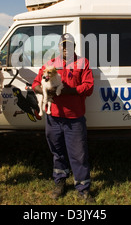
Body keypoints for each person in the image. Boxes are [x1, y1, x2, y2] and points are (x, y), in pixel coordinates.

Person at [32, 33, 95, 202]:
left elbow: (88, 87)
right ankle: (60, 182)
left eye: (69, 45)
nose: (66, 48)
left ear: (74, 47)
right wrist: (44, 91)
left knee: (79, 154)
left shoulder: (83, 63)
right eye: (63, 45)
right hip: (53, 118)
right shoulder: (50, 64)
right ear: (59, 47)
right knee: (57, 152)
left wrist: (71, 91)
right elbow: (35, 84)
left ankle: (83, 188)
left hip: (74, 117)